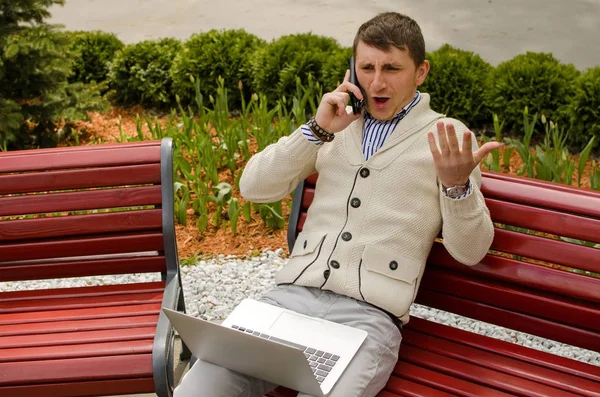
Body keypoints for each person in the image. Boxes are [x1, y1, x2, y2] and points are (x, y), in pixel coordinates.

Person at [174, 11, 500, 397]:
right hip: (288, 298)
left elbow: (470, 250)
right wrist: (316, 130)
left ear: (421, 71)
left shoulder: (448, 137)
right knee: (201, 387)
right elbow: (254, 187)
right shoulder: (336, 126)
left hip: (368, 318)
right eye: (367, 67)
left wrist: (456, 185)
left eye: (392, 68)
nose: (377, 81)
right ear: (353, 69)